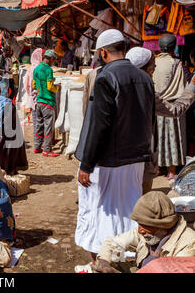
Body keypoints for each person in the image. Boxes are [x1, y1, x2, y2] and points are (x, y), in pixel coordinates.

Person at [74, 29, 155, 271]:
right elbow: (150, 121)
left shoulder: (105, 77)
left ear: (103, 52)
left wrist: (86, 164)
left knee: (100, 212)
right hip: (135, 159)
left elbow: (99, 125)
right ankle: (127, 258)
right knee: (128, 208)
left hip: (106, 161)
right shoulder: (144, 78)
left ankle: (101, 261)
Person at [126, 46, 195, 194]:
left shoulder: (116, 83)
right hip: (141, 156)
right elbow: (175, 110)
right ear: (144, 67)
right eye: (152, 63)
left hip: (121, 159)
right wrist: (192, 87)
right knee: (141, 200)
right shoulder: (146, 89)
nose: (155, 65)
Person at [93, 191, 195, 273]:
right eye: (139, 224)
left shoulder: (189, 243)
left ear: (162, 225)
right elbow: (113, 243)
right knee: (111, 260)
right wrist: (104, 262)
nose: (140, 230)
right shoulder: (146, 232)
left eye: (145, 225)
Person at [152, 34, 190, 180]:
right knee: (173, 138)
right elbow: (183, 87)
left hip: (157, 106)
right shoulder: (177, 64)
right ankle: (172, 171)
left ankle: (159, 167)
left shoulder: (153, 62)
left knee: (158, 137)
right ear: (173, 47)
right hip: (173, 107)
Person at [32, 50, 61, 157]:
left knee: (39, 125)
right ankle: (47, 150)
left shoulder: (36, 68)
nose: (54, 62)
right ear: (50, 59)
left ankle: (37, 147)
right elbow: (50, 87)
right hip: (48, 102)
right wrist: (57, 87)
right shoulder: (48, 70)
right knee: (48, 126)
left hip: (39, 101)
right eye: (54, 60)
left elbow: (34, 85)